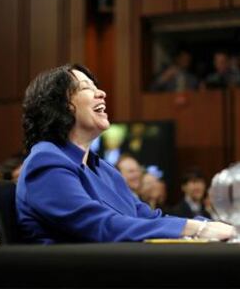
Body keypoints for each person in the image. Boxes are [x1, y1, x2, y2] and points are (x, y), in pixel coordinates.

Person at [16, 64, 235, 243]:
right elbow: (100, 226)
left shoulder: (104, 170)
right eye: (86, 88)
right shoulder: (45, 161)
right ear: (61, 105)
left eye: (96, 87)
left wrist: (216, 227)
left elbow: (148, 217)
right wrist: (197, 228)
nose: (101, 93)